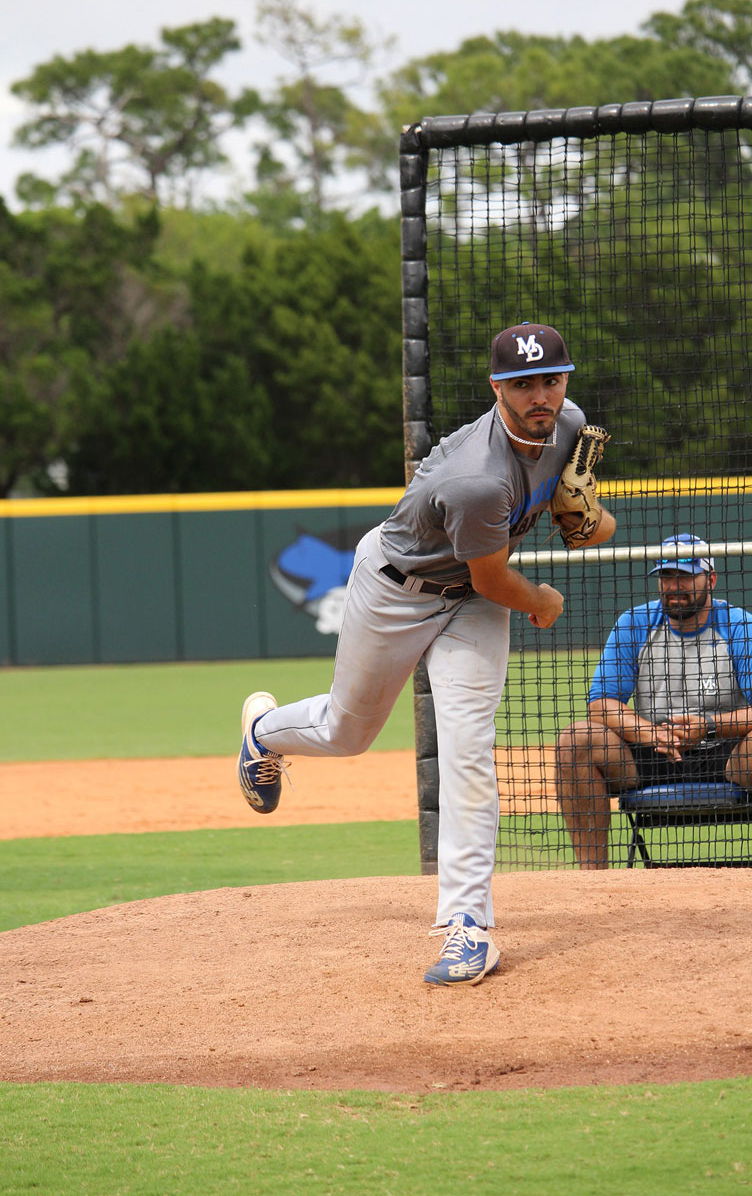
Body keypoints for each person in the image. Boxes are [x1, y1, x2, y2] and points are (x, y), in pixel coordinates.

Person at [238, 321, 616, 985]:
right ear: (496, 387)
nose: (540, 396)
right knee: (348, 732)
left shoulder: (570, 425)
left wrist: (590, 518)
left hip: (470, 604)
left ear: (566, 381)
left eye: (551, 380)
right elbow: (495, 580)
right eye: (522, 383)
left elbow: (588, 528)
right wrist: (542, 600)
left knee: (467, 748)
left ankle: (468, 926)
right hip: (398, 589)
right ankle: (263, 732)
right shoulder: (477, 477)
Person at [556, 533, 752, 868]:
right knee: (576, 740)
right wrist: (650, 733)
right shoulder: (634, 624)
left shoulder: (739, 626)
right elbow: (600, 704)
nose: (674, 586)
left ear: (711, 579)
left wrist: (708, 726)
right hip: (653, 754)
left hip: (726, 753)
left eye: (685, 576)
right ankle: (592, 880)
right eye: (666, 576)